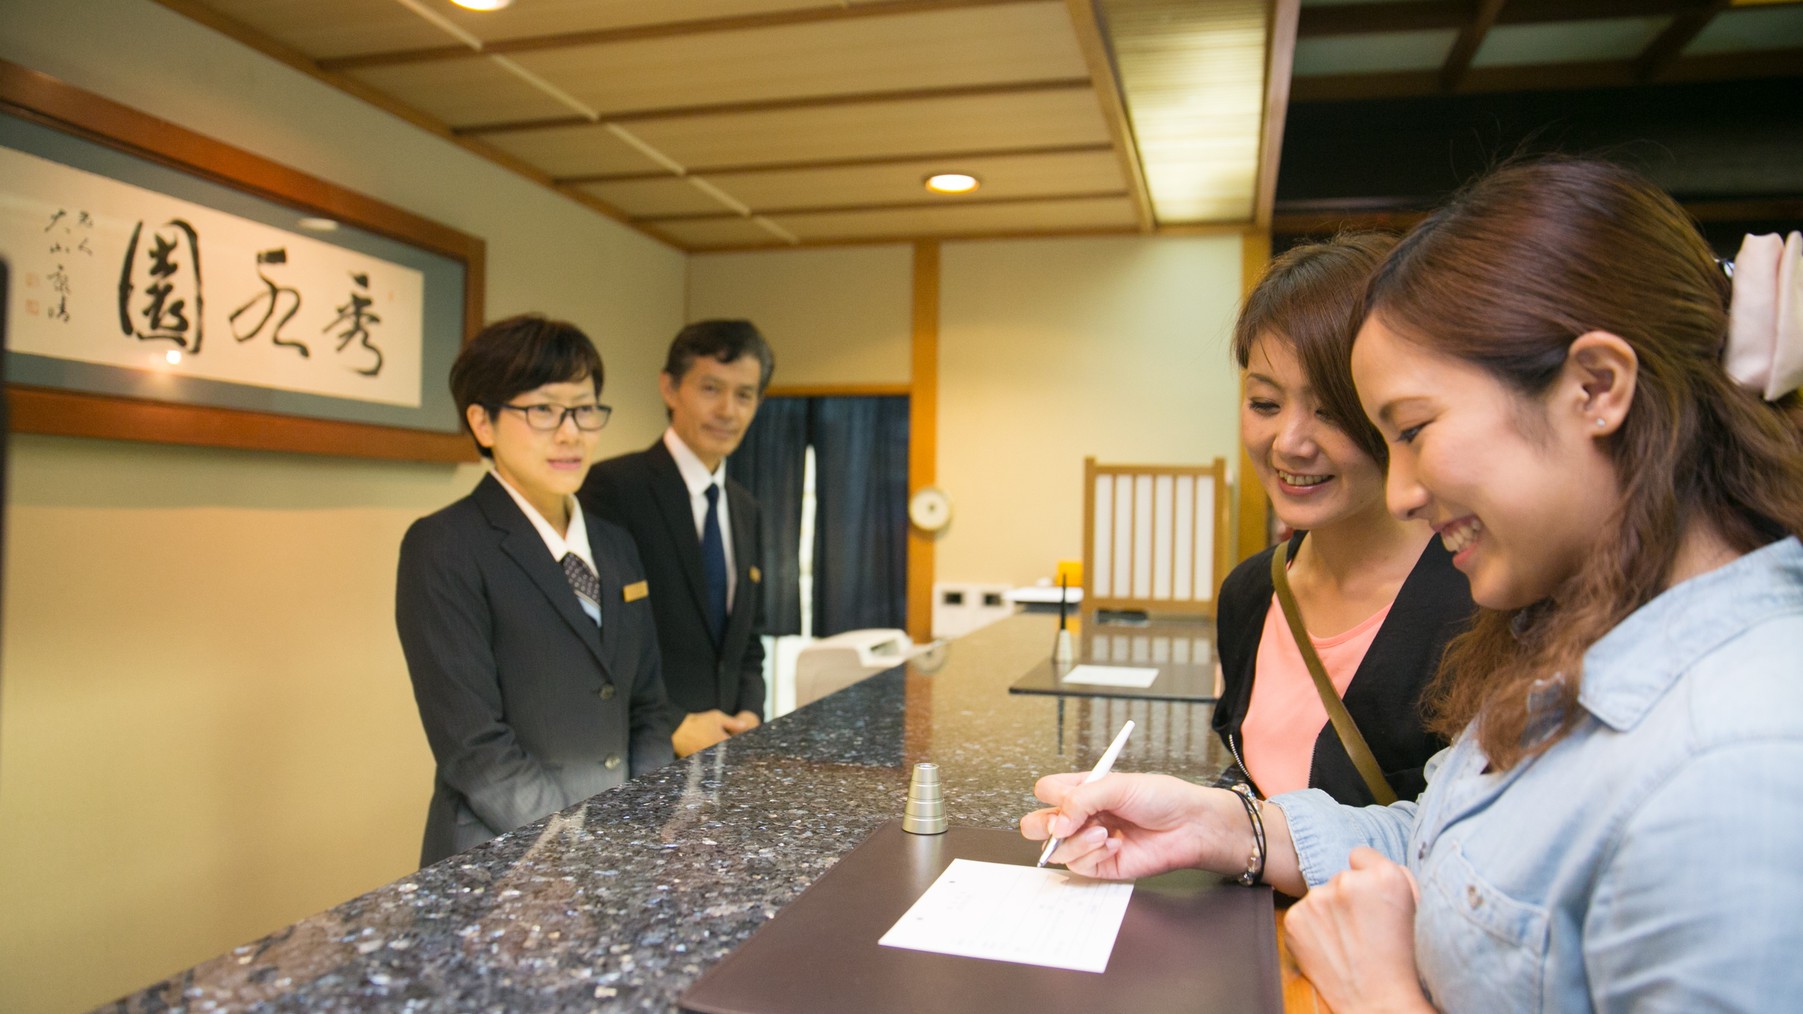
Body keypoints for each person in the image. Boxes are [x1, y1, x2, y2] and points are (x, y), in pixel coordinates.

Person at [1023, 159, 1803, 1012]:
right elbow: (1441, 840)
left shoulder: (1745, 758)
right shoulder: (1577, 651)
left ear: (1595, 388)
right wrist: (1219, 826)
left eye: (1412, 429)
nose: (1401, 493)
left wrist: (1378, 994)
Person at [396, 314, 676, 867]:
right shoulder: (445, 545)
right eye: (543, 410)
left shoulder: (616, 544)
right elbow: (475, 746)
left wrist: (639, 821)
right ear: (483, 422)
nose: (571, 432)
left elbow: (648, 705)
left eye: (584, 408)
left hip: (620, 853)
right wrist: (578, 844)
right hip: (499, 858)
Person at [1217, 233, 1471, 804]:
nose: (1290, 443)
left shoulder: (1475, 600)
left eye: (1332, 409)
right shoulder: (1249, 594)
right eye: (1264, 403)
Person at [579, 320, 774, 758]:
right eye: (710, 388)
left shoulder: (746, 509)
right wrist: (675, 723)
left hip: (727, 752)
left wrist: (750, 714)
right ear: (669, 388)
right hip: (642, 751)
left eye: (744, 395)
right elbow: (592, 640)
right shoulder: (612, 488)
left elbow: (749, 642)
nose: (728, 410)